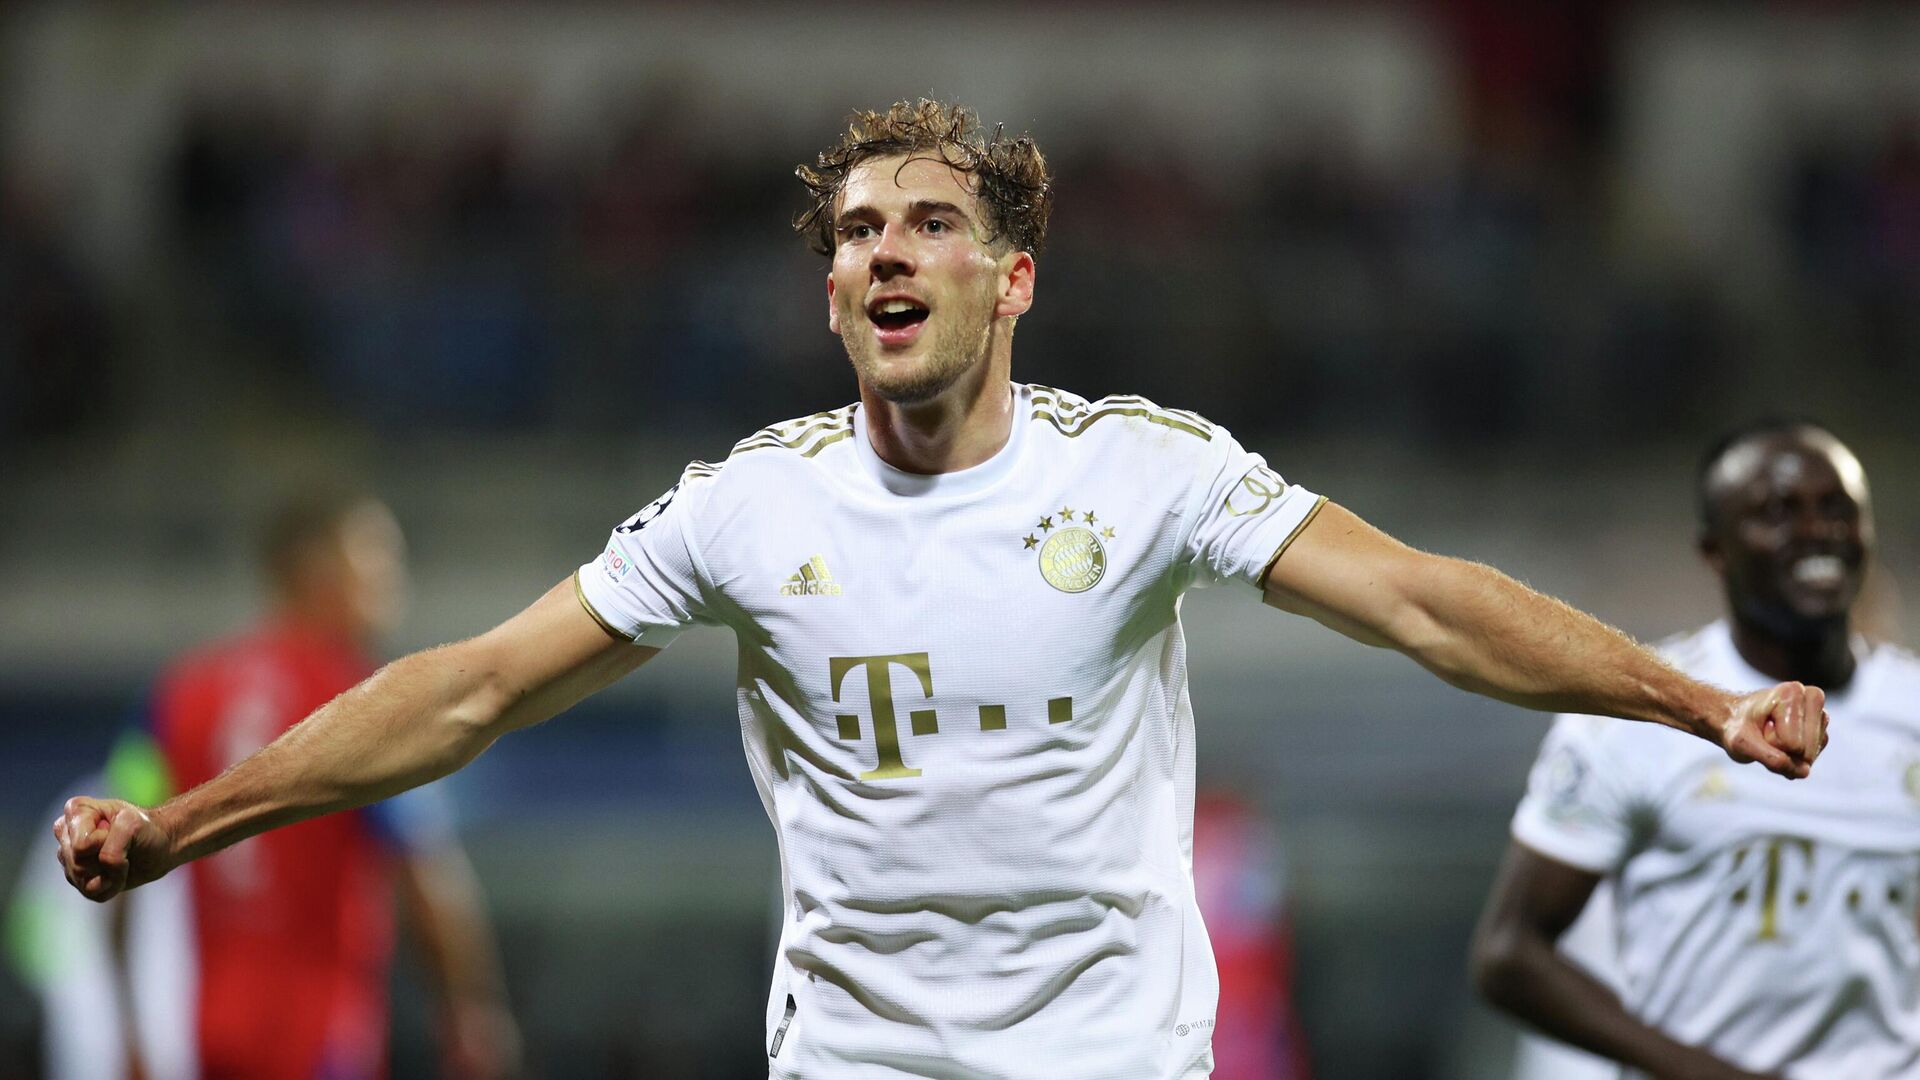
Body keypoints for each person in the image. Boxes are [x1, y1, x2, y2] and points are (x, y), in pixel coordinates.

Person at [56, 101, 1826, 1080]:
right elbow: (469, 689)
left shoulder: (1142, 475)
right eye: (855, 233)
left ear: (1013, 280)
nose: (884, 251)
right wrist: (185, 825)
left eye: (927, 225)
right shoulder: (748, 509)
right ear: (832, 291)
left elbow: (1428, 604)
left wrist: (1699, 703)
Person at [1472, 420, 1920, 1079]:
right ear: (1715, 550)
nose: (1816, 531)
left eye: (1837, 509)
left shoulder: (1911, 707)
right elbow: (1509, 952)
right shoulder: (1638, 712)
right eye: (1778, 512)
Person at [93, 491, 520, 1080]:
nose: (393, 582)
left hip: (211, 1030)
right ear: (319, 572)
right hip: (321, 1032)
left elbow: (117, 852)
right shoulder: (364, 705)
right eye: (376, 561)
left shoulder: (175, 694)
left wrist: (128, 1026)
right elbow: (427, 871)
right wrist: (470, 1013)